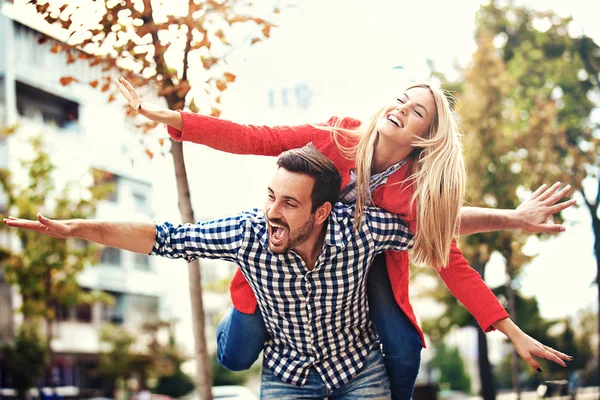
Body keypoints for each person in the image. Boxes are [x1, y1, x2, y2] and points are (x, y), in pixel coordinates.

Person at [115, 78, 575, 399]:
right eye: (400, 99)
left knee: (402, 342)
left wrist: (510, 330)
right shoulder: (336, 138)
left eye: (416, 111)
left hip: (361, 263)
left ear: (426, 137)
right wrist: (173, 119)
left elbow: (447, 251)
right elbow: (256, 138)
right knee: (236, 355)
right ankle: (247, 315)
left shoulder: (415, 190)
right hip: (284, 261)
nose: (400, 108)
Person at [6, 145, 420, 398]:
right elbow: (164, 236)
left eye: (290, 204)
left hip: (355, 366)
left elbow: (439, 223)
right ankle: (240, 310)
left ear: (322, 212)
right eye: (271, 197)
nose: (272, 213)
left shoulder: (360, 227)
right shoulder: (247, 232)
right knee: (234, 352)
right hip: (289, 371)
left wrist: (489, 218)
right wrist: (76, 228)